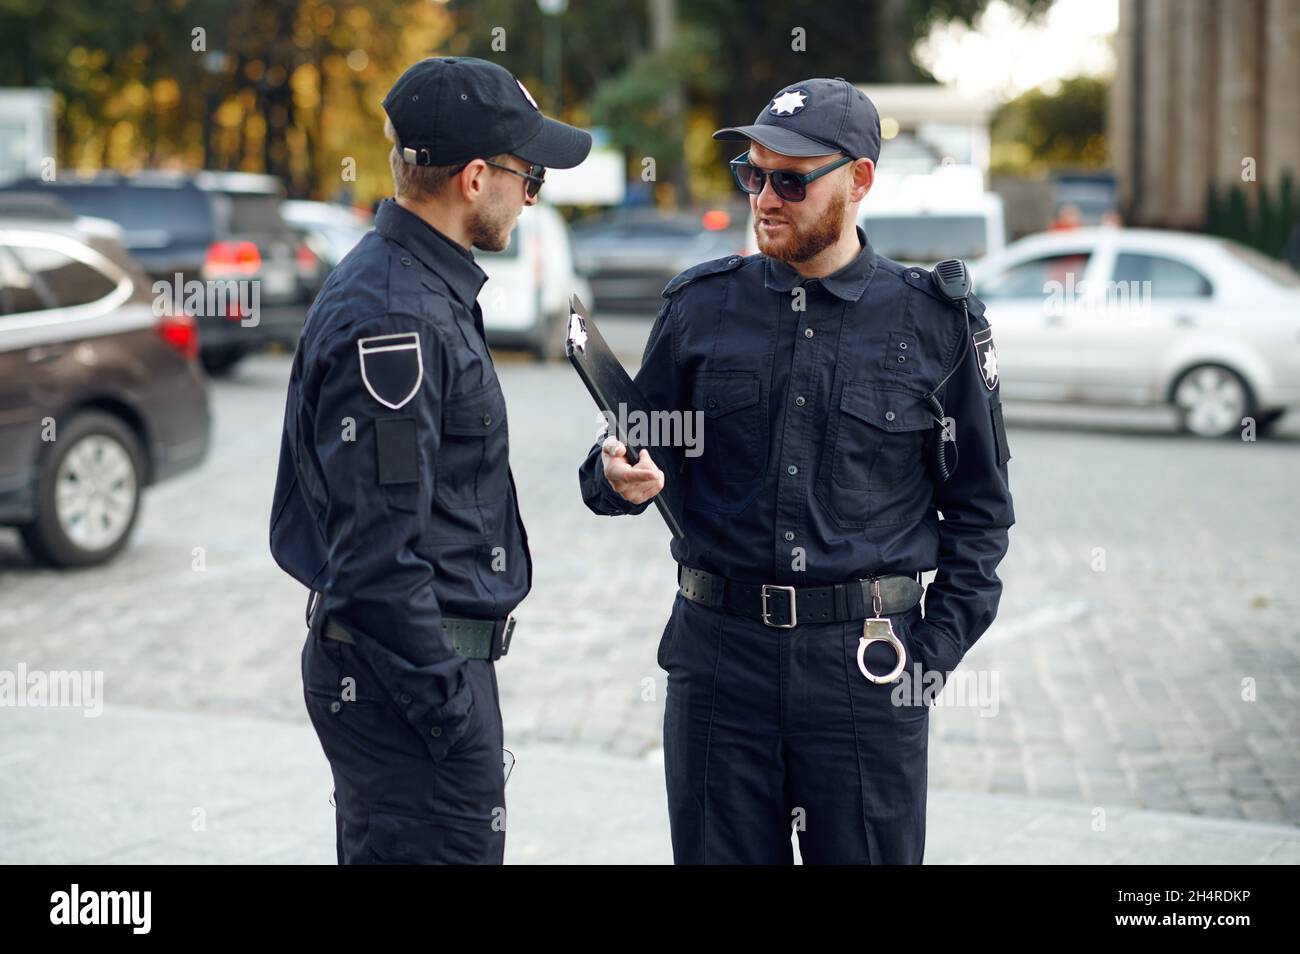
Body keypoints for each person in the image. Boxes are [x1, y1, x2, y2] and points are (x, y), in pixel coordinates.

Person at [578, 77, 1014, 864]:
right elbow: (630, 450)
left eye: (789, 179)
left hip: (865, 672)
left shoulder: (935, 324)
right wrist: (615, 476)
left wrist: (924, 661)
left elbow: (981, 515)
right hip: (718, 667)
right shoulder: (701, 307)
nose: (764, 199)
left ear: (859, 182)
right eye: (753, 174)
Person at [270, 56, 590, 864]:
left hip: (406, 677)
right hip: (409, 686)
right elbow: (378, 560)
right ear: (476, 178)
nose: (532, 193)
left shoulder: (420, 288)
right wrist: (451, 712)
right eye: (531, 176)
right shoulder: (396, 315)